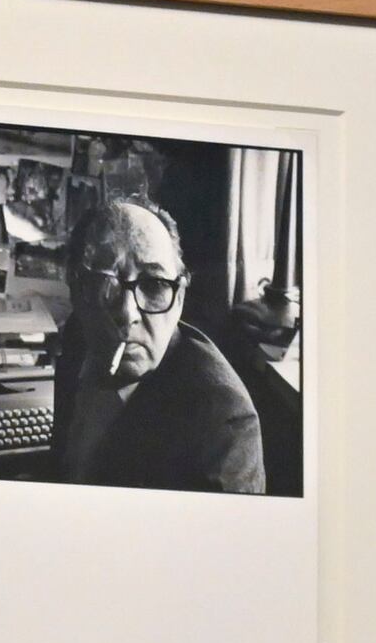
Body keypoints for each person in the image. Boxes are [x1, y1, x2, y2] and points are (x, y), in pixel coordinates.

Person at [44, 198, 266, 493]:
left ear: (180, 299)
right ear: (77, 291)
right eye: (103, 284)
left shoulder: (223, 420)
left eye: (155, 285)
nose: (127, 314)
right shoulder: (77, 336)